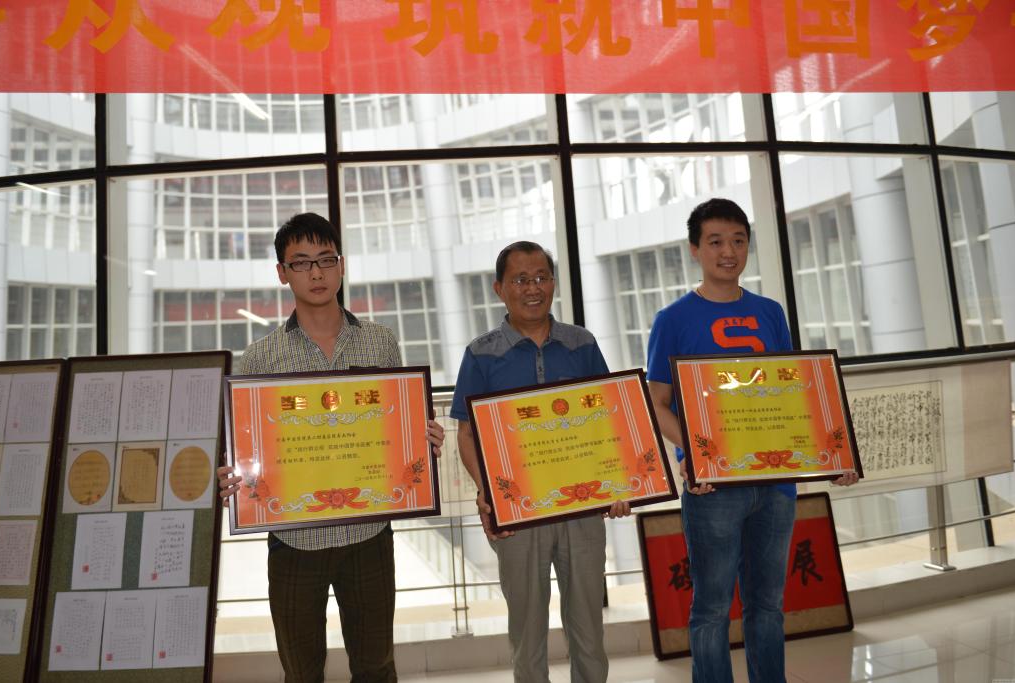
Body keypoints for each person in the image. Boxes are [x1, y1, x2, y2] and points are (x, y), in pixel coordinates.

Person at [216, 212, 445, 683]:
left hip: (368, 534)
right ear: (282, 273)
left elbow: (399, 427)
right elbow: (247, 446)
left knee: (376, 666)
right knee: (301, 672)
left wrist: (421, 443)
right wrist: (232, 475)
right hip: (293, 540)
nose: (316, 273)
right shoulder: (260, 358)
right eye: (301, 263)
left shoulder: (380, 343)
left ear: (341, 265)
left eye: (325, 259)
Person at [646, 198, 858, 683]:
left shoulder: (769, 312)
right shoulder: (672, 319)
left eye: (739, 241)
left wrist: (833, 454)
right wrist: (695, 453)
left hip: (776, 484)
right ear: (695, 249)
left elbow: (793, 394)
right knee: (712, 609)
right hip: (713, 488)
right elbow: (657, 403)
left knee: (768, 605)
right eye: (716, 241)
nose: (729, 252)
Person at [451, 241, 630, 683]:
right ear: (499, 288)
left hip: (582, 506)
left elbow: (608, 419)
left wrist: (619, 483)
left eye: (541, 278)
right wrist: (487, 492)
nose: (533, 288)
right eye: (520, 280)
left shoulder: (581, 344)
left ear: (553, 283)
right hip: (517, 514)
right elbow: (467, 434)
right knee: (527, 632)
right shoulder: (481, 353)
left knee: (588, 627)